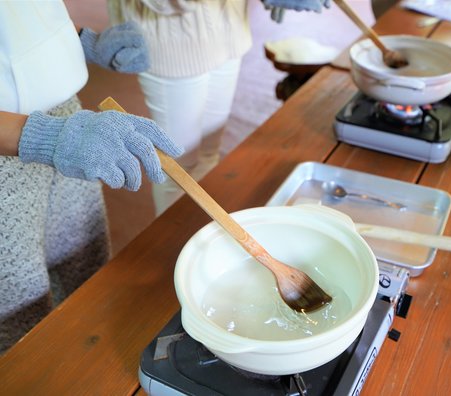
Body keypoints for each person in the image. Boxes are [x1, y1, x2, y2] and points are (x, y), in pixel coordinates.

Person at [0, 1, 183, 354]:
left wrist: (81, 43)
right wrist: (44, 137)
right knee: (19, 312)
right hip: (16, 152)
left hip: (68, 121)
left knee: (86, 268)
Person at [107, 0, 330, 216]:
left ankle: (199, 231)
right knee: (178, 170)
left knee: (208, 155)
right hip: (170, 37)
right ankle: (174, 248)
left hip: (226, 29)